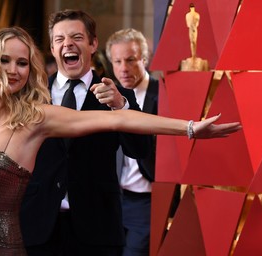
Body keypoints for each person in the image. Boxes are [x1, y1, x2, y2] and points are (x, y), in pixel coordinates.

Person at [0, 24, 241, 256]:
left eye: (22, 63)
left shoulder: (36, 117)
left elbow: (118, 119)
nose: (13, 70)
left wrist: (189, 128)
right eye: (4, 60)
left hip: (6, 247)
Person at [21, 9, 150, 256]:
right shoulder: (32, 95)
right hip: (39, 225)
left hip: (98, 227)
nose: (67, 43)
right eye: (59, 39)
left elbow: (140, 150)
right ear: (52, 47)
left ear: (93, 44)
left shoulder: (118, 95)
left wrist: (120, 106)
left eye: (77, 37)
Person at [106, 27, 163, 256]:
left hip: (148, 199)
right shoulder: (109, 96)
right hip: (114, 199)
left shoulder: (162, 94)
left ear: (144, 59)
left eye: (130, 60)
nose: (123, 68)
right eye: (117, 61)